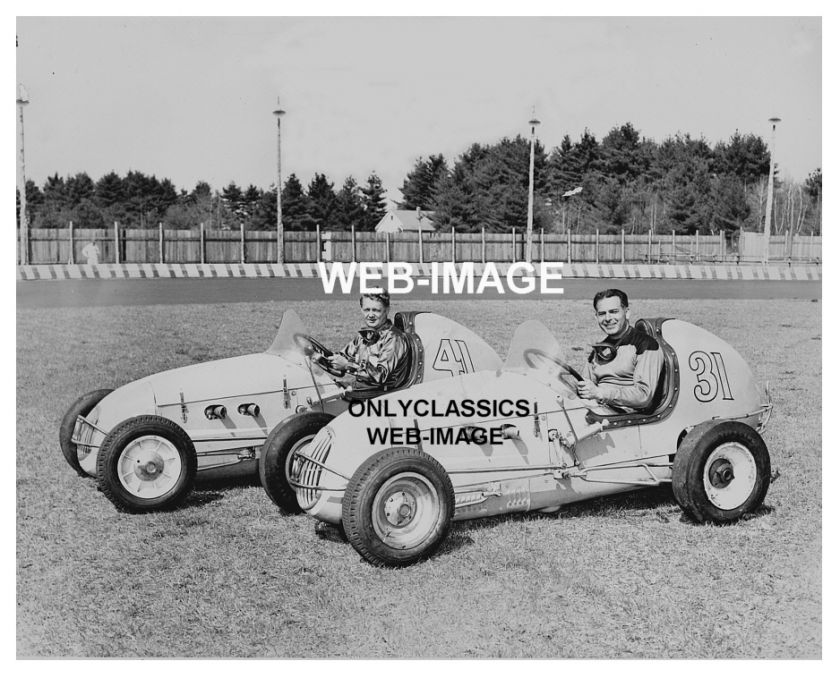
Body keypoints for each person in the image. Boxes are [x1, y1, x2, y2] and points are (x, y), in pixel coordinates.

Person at [576, 288, 664, 412]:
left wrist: (601, 393)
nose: (607, 318)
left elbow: (644, 396)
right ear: (596, 317)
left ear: (627, 313)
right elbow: (584, 383)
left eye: (613, 312)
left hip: (626, 418)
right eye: (602, 314)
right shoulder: (600, 349)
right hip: (598, 410)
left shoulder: (646, 346)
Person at [328, 291, 408, 392]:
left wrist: (347, 365)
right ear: (361, 310)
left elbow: (380, 376)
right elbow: (342, 356)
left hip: (381, 394)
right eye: (367, 310)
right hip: (362, 388)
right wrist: (320, 357)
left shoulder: (394, 338)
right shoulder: (365, 336)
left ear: (387, 310)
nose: (370, 315)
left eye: (376, 310)